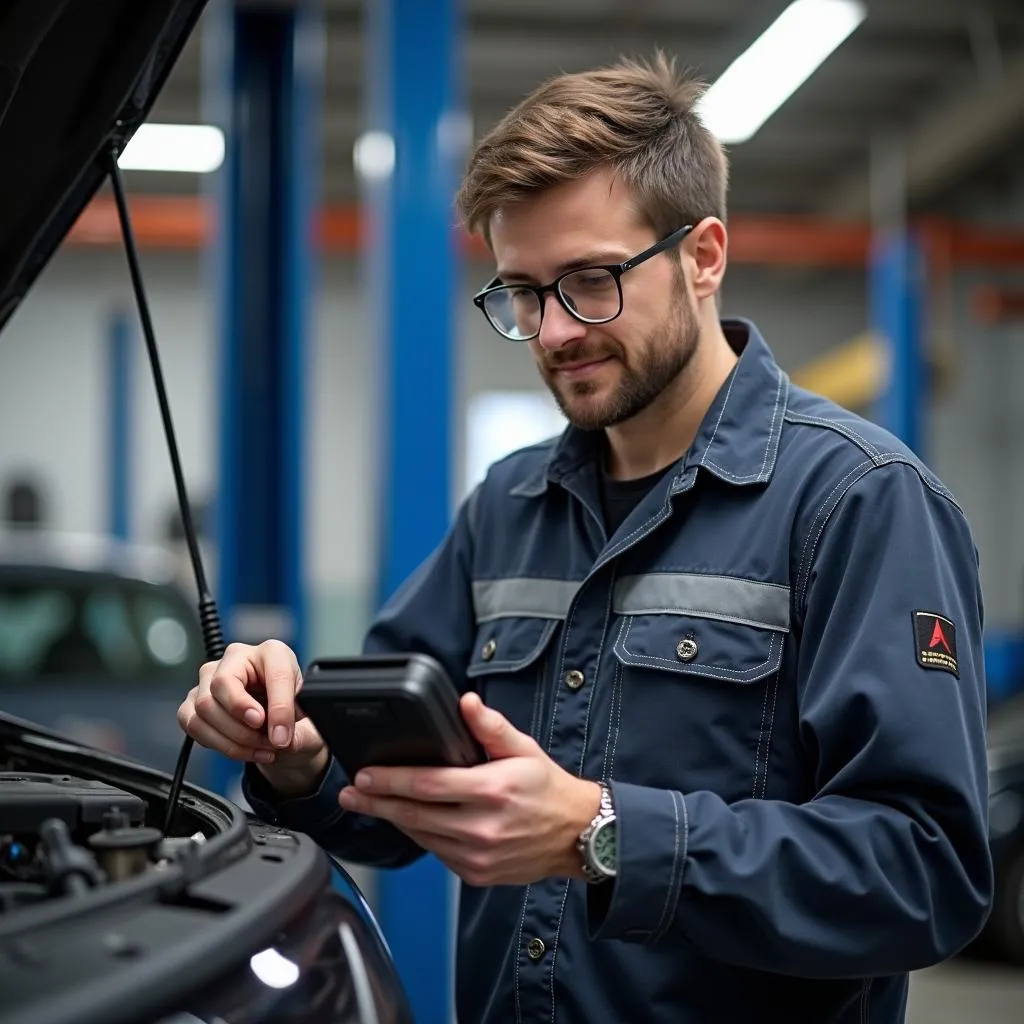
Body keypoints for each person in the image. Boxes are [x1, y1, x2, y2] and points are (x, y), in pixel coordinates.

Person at [177, 53, 993, 1023]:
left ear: (703, 256)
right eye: (522, 292)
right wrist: (298, 751)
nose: (555, 330)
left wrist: (603, 834)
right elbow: (395, 784)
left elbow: (925, 872)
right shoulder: (509, 505)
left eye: (590, 280)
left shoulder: (860, 503)